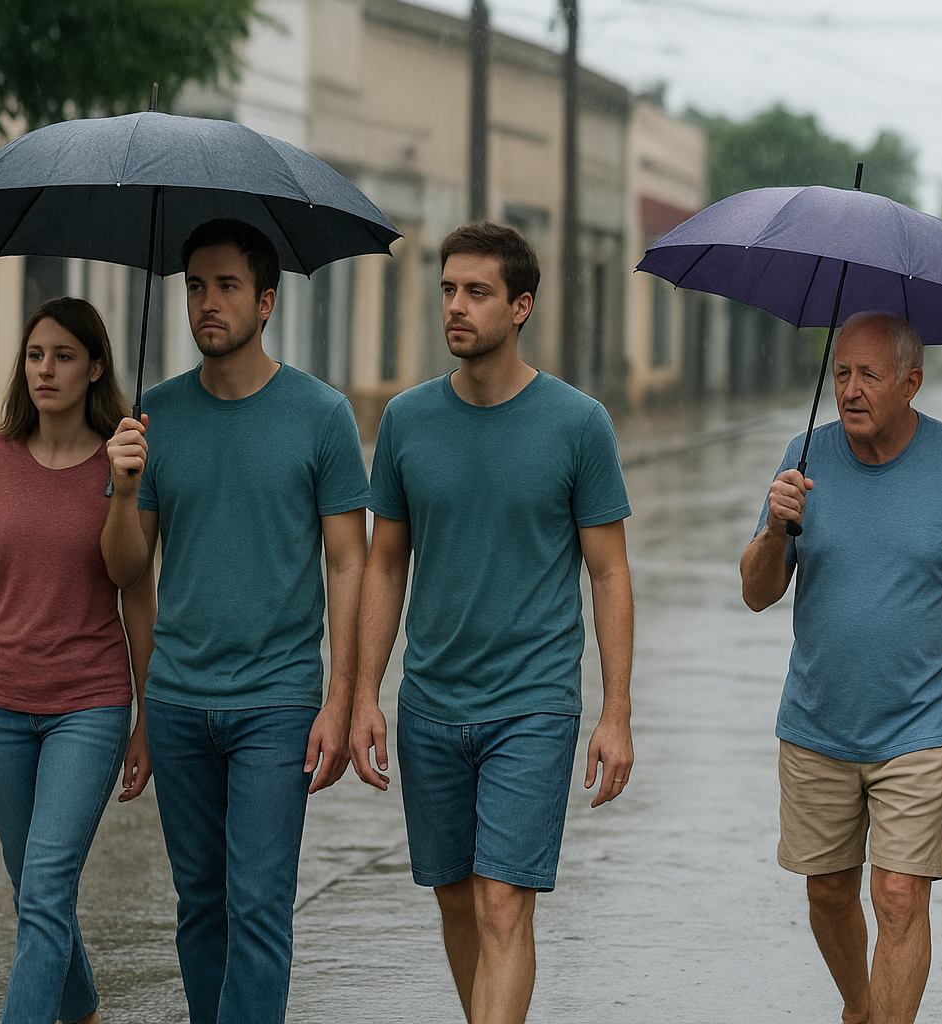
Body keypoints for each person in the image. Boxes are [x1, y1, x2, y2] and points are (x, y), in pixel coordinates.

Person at [350, 221, 634, 1024]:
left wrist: (615, 711)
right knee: (455, 900)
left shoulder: (579, 424)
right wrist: (366, 692)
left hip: (533, 702)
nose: (457, 307)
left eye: (477, 292)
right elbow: (383, 563)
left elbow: (609, 573)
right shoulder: (407, 421)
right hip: (431, 702)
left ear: (521, 307)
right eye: (448, 290)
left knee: (502, 902)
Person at [100, 219, 370, 1024]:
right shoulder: (153, 415)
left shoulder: (321, 415)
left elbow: (350, 562)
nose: (206, 304)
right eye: (193, 287)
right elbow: (123, 568)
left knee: (258, 906)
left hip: (278, 700)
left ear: (266, 300)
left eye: (224, 287)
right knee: (201, 904)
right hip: (179, 697)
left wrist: (343, 696)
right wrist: (119, 490)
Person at [739, 311, 942, 1024]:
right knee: (828, 892)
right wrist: (776, 527)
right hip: (816, 722)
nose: (850, 389)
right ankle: (861, 1006)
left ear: (912, 383)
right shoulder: (803, 459)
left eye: (869, 374)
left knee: (898, 895)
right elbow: (756, 593)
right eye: (840, 373)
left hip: (923, 728)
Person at [0, 297, 154, 1024]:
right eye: (35, 355)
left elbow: (130, 585)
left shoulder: (126, 459)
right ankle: (81, 1008)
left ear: (95, 368)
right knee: (34, 891)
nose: (45, 369)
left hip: (90, 704)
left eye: (63, 356)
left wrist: (123, 491)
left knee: (46, 889)